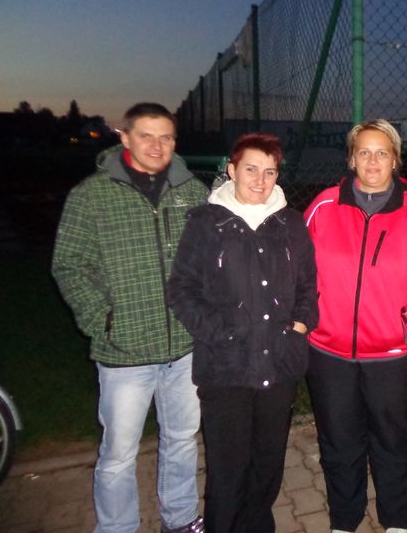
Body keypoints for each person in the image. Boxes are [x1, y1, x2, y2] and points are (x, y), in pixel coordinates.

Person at [52, 102, 208, 533]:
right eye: (146, 136)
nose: (157, 146)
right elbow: (69, 264)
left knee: (181, 439)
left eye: (166, 137)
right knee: (119, 453)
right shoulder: (92, 195)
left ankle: (179, 518)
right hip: (124, 352)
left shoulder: (192, 192)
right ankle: (117, 527)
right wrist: (103, 320)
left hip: (185, 347)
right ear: (124, 137)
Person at [167, 133, 318, 532]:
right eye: (251, 169)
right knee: (228, 469)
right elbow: (181, 289)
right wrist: (220, 332)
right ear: (231, 170)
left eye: (270, 172)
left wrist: (300, 325)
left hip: (278, 365)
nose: (260, 180)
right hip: (226, 368)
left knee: (267, 465)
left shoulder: (291, 223)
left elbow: (309, 284)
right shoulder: (206, 222)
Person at [304, 119, 407, 533]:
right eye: (363, 152)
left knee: (392, 442)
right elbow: (298, 269)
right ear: (351, 159)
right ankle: (344, 520)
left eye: (382, 152)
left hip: (392, 355)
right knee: (338, 442)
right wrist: (309, 317)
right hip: (328, 352)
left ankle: (397, 520)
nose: (372, 161)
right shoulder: (324, 206)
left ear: (395, 160)